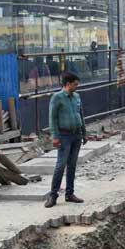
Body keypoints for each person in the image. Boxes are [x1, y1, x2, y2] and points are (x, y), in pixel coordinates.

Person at [45, 71, 87, 208]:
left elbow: (80, 114)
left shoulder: (77, 96)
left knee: (72, 165)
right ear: (68, 84)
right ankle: (53, 195)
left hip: (76, 135)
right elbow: (52, 118)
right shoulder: (57, 98)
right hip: (64, 136)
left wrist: (84, 133)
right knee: (60, 165)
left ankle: (70, 194)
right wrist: (55, 136)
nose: (77, 87)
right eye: (75, 85)